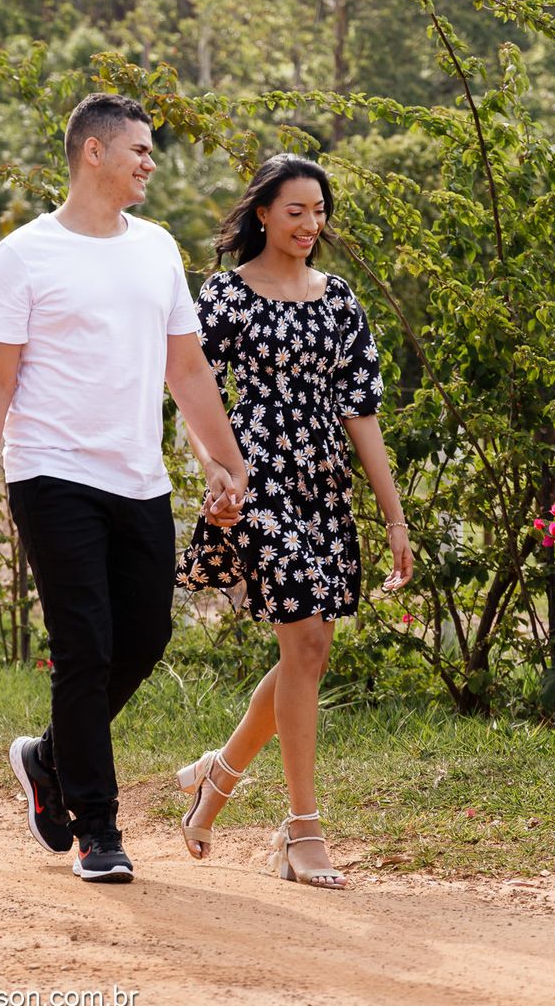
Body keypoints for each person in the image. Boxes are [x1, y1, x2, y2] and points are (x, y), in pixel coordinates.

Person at [0, 92, 249, 884]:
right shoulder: (23, 256)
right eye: (140, 150)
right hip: (52, 475)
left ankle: (47, 758)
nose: (151, 162)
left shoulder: (156, 249)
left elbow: (186, 366)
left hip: (138, 478)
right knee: (85, 649)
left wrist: (226, 459)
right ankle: (98, 829)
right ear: (94, 153)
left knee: (143, 640)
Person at [171, 154, 412, 889]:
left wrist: (394, 517)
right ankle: (301, 830)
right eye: (296, 210)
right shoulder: (226, 296)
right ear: (264, 214)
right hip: (254, 476)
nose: (311, 224)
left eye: (319, 211)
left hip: (321, 483)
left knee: (308, 654)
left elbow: (360, 414)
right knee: (305, 635)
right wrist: (216, 468)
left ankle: (219, 774)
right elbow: (191, 390)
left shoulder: (339, 302)